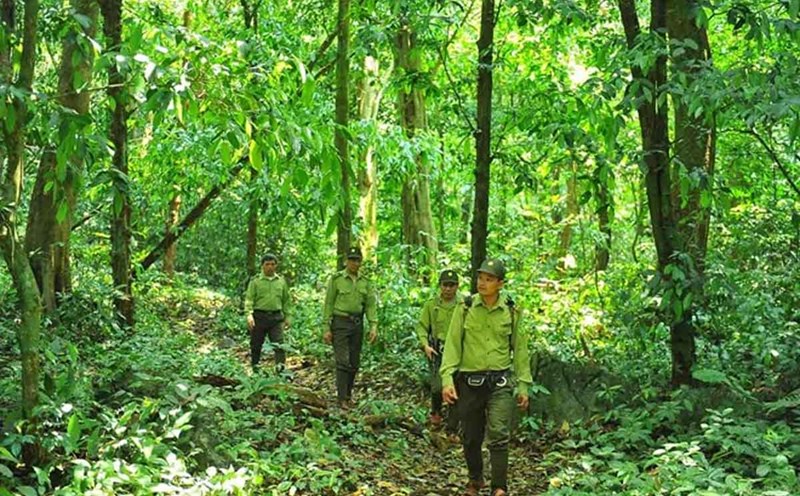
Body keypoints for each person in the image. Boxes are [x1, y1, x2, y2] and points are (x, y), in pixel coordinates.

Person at [440, 258, 532, 496]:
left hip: (499, 382)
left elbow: (520, 350)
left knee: (500, 433)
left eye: (489, 279)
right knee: (470, 436)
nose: (482, 283)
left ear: (500, 283)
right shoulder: (466, 307)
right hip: (470, 382)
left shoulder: (512, 311)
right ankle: (475, 479)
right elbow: (452, 345)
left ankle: (499, 487)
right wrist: (447, 380)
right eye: (480, 278)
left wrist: (523, 385)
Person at [322, 247, 378, 407]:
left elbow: (370, 305)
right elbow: (328, 303)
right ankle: (341, 398)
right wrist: (326, 327)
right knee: (342, 361)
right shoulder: (336, 279)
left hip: (357, 323)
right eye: (352, 259)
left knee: (354, 362)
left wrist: (373, 325)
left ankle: (348, 395)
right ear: (346, 261)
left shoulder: (365, 282)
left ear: (361, 262)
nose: (354, 263)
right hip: (340, 322)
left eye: (357, 260)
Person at [415, 269, 460, 430]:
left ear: (457, 286)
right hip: (437, 349)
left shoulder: (463, 305)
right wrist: (424, 344)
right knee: (437, 386)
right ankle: (436, 412)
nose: (448, 289)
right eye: (445, 285)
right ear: (440, 286)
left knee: (456, 385)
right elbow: (421, 326)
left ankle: (453, 425)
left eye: (451, 285)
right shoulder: (432, 305)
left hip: (457, 351)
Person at [244, 253, 291, 371]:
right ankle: (255, 369)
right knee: (256, 345)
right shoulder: (255, 281)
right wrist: (249, 314)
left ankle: (281, 372)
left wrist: (288, 317)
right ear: (262, 266)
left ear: (276, 266)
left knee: (279, 345)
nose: (270, 267)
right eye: (267, 264)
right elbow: (249, 299)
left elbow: (286, 300)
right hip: (259, 317)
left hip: (276, 318)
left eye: (272, 264)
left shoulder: (281, 281)